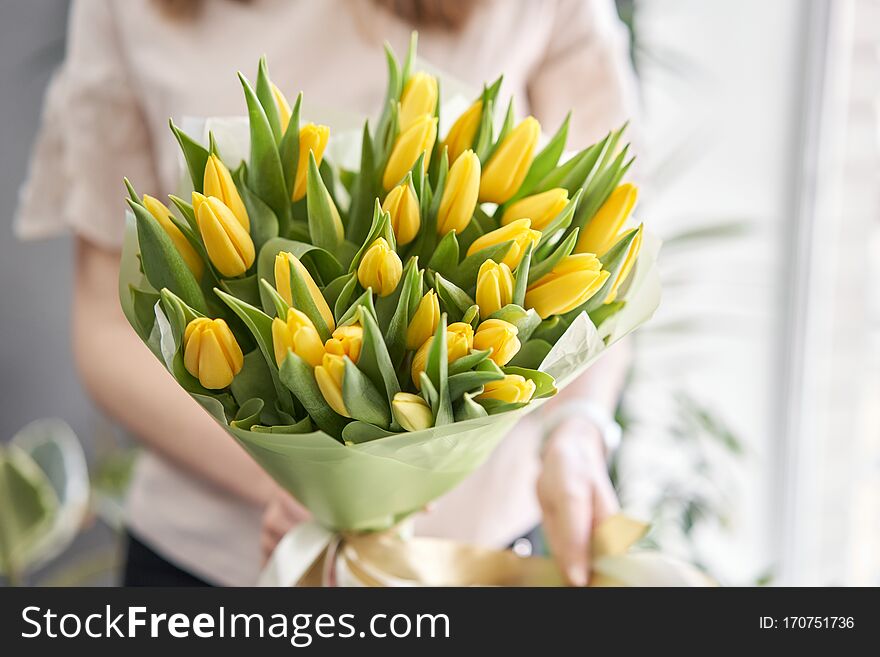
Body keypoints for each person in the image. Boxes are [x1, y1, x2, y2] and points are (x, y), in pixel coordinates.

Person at [15, 0, 638, 587]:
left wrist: (579, 432)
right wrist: (310, 491)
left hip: (474, 556)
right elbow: (105, 324)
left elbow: (599, 249)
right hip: (212, 562)